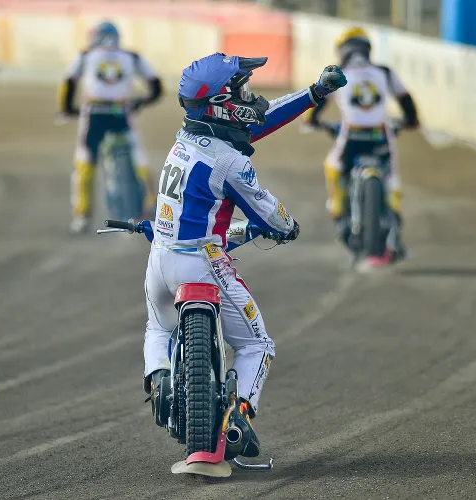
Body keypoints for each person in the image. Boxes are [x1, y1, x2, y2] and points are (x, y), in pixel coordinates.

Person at [143, 52, 347, 457]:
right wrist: (287, 226)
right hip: (201, 263)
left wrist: (314, 93)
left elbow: (260, 121)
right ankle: (237, 417)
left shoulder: (186, 139)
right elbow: (268, 210)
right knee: (258, 345)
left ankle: (158, 376)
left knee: (157, 328)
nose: (251, 99)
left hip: (160, 259)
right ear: (223, 104)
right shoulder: (229, 160)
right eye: (242, 91)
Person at [302, 26, 420, 261]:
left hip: (352, 137)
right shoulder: (384, 72)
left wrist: (311, 121)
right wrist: (411, 121)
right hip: (381, 136)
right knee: (393, 177)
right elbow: (405, 99)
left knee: (333, 166)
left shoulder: (339, 73)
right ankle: (394, 229)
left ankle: (337, 210)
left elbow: (319, 102)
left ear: (342, 50)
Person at [58, 21, 163, 234]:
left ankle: (82, 215)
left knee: (85, 165)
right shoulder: (131, 57)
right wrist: (140, 102)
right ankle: (151, 207)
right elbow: (156, 85)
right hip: (122, 113)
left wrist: (67, 109)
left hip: (94, 114)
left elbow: (68, 81)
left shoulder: (86, 55)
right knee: (138, 160)